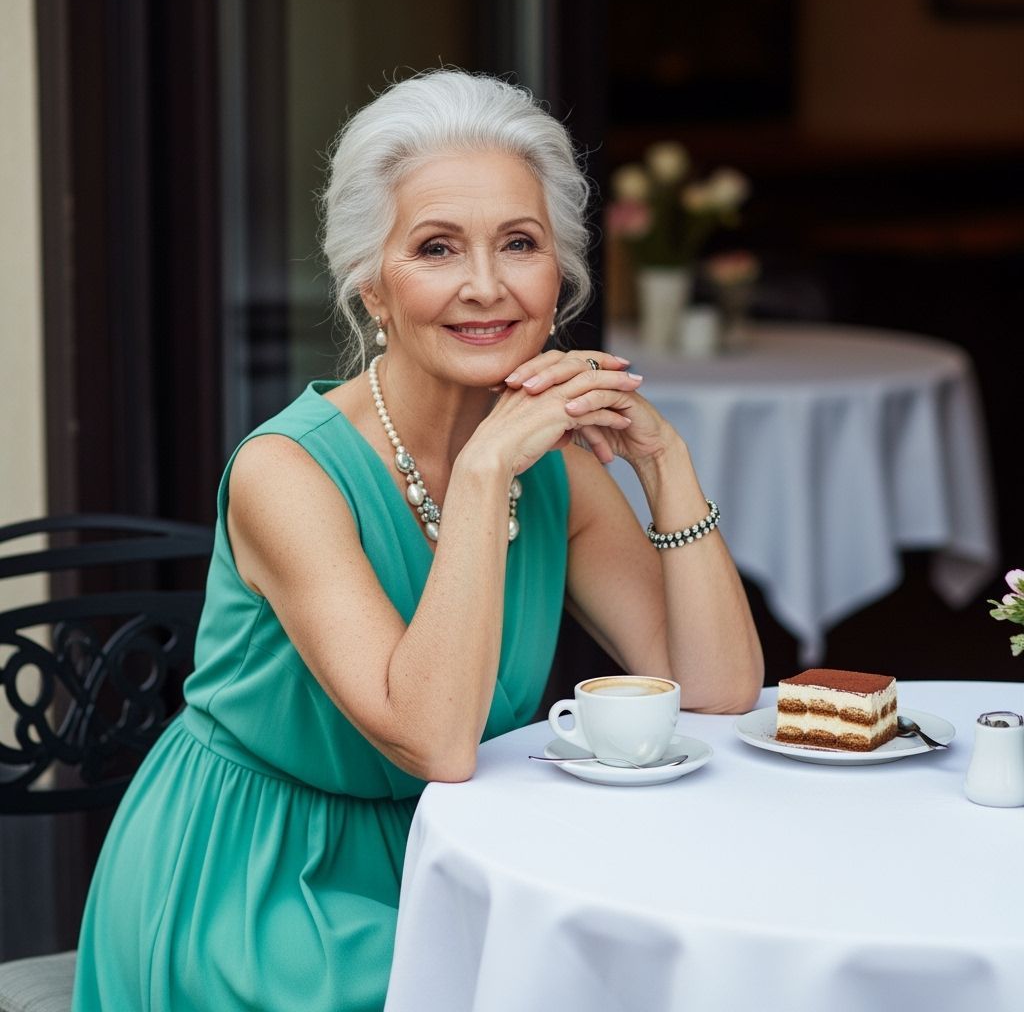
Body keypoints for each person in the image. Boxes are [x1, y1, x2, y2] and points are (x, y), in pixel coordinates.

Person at [72, 69, 763, 1011]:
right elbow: (433, 740)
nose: (486, 286)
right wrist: (483, 477)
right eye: (437, 248)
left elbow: (719, 696)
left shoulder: (554, 461)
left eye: (519, 244)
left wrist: (666, 464)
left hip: (466, 855)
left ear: (558, 274)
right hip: (264, 888)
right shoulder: (287, 475)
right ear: (372, 287)